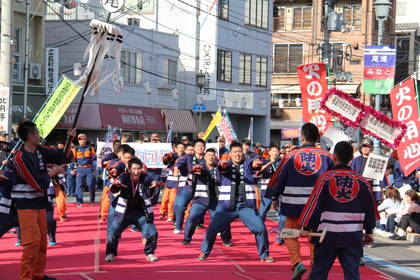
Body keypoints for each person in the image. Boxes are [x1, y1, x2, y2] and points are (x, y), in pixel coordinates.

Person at [299, 141, 378, 280]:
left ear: (334, 157)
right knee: (352, 274)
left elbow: (314, 205)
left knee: (319, 272)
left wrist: (307, 226)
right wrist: (369, 231)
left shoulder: (325, 178)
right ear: (352, 158)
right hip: (352, 235)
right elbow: (370, 209)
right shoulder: (362, 181)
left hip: (327, 235)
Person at [266, 123, 334, 279]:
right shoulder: (327, 156)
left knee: (288, 234)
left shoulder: (291, 155)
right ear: (317, 137)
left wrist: (274, 195)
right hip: (316, 207)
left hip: (293, 204)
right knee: (313, 238)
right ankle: (315, 270)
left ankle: (297, 263)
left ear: (301, 137)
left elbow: (279, 177)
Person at [10, 121, 75, 280]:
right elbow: (37, 182)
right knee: (31, 244)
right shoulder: (20, 157)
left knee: (41, 242)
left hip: (40, 202)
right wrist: (54, 172)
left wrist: (69, 140)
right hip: (25, 205)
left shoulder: (40, 150)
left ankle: (38, 275)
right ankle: (26, 277)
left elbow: (61, 156)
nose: (39, 136)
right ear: (31, 136)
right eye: (37, 133)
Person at [198, 142, 273, 262]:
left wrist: (256, 163)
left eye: (239, 152)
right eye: (235, 152)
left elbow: (254, 164)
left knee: (260, 228)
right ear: (230, 154)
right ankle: (204, 251)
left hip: (245, 205)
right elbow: (223, 168)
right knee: (212, 228)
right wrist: (222, 165)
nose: (237, 154)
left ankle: (264, 254)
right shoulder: (225, 164)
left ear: (243, 153)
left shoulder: (248, 163)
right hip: (226, 206)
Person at [105, 157, 158, 262]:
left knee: (153, 232)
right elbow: (119, 181)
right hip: (124, 213)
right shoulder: (124, 176)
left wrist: (153, 183)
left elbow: (150, 180)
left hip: (141, 213)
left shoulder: (144, 177)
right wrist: (118, 184)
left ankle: (149, 253)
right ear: (129, 169)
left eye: (139, 169)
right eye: (134, 169)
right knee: (112, 230)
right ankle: (111, 253)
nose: (136, 171)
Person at [183, 148, 232, 245]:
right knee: (193, 217)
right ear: (204, 157)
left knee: (223, 218)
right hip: (200, 198)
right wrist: (193, 173)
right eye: (208, 155)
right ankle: (187, 238)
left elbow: (226, 178)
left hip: (216, 200)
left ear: (215, 157)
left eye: (213, 155)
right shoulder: (198, 167)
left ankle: (226, 240)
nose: (211, 157)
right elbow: (189, 181)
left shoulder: (220, 168)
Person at [173, 139, 206, 234]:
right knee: (179, 205)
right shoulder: (189, 157)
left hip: (203, 187)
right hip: (190, 186)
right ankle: (178, 226)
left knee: (211, 208)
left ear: (204, 148)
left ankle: (218, 228)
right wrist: (176, 168)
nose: (200, 147)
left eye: (202, 146)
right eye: (198, 146)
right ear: (194, 148)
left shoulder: (207, 157)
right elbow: (178, 162)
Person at [160, 142, 185, 222]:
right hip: (169, 181)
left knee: (172, 200)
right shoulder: (173, 155)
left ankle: (170, 216)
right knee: (164, 199)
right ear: (176, 149)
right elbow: (165, 160)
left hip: (177, 182)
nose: (180, 149)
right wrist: (166, 156)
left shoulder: (185, 158)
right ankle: (162, 212)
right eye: (179, 147)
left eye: (182, 147)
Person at [99, 140, 121, 221]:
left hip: (122, 180)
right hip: (111, 179)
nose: (117, 146)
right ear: (113, 146)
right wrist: (110, 162)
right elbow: (103, 163)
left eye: (119, 145)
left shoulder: (124, 157)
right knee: (105, 197)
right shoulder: (110, 156)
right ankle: (103, 215)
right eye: (116, 145)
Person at [72, 133, 96, 206]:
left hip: (89, 168)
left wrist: (94, 168)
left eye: (83, 139)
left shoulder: (90, 148)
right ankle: (79, 202)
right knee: (78, 185)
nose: (81, 140)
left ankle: (92, 201)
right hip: (80, 168)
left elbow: (94, 158)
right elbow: (73, 160)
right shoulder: (75, 149)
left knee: (90, 184)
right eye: (79, 139)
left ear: (85, 140)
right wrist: (73, 169)